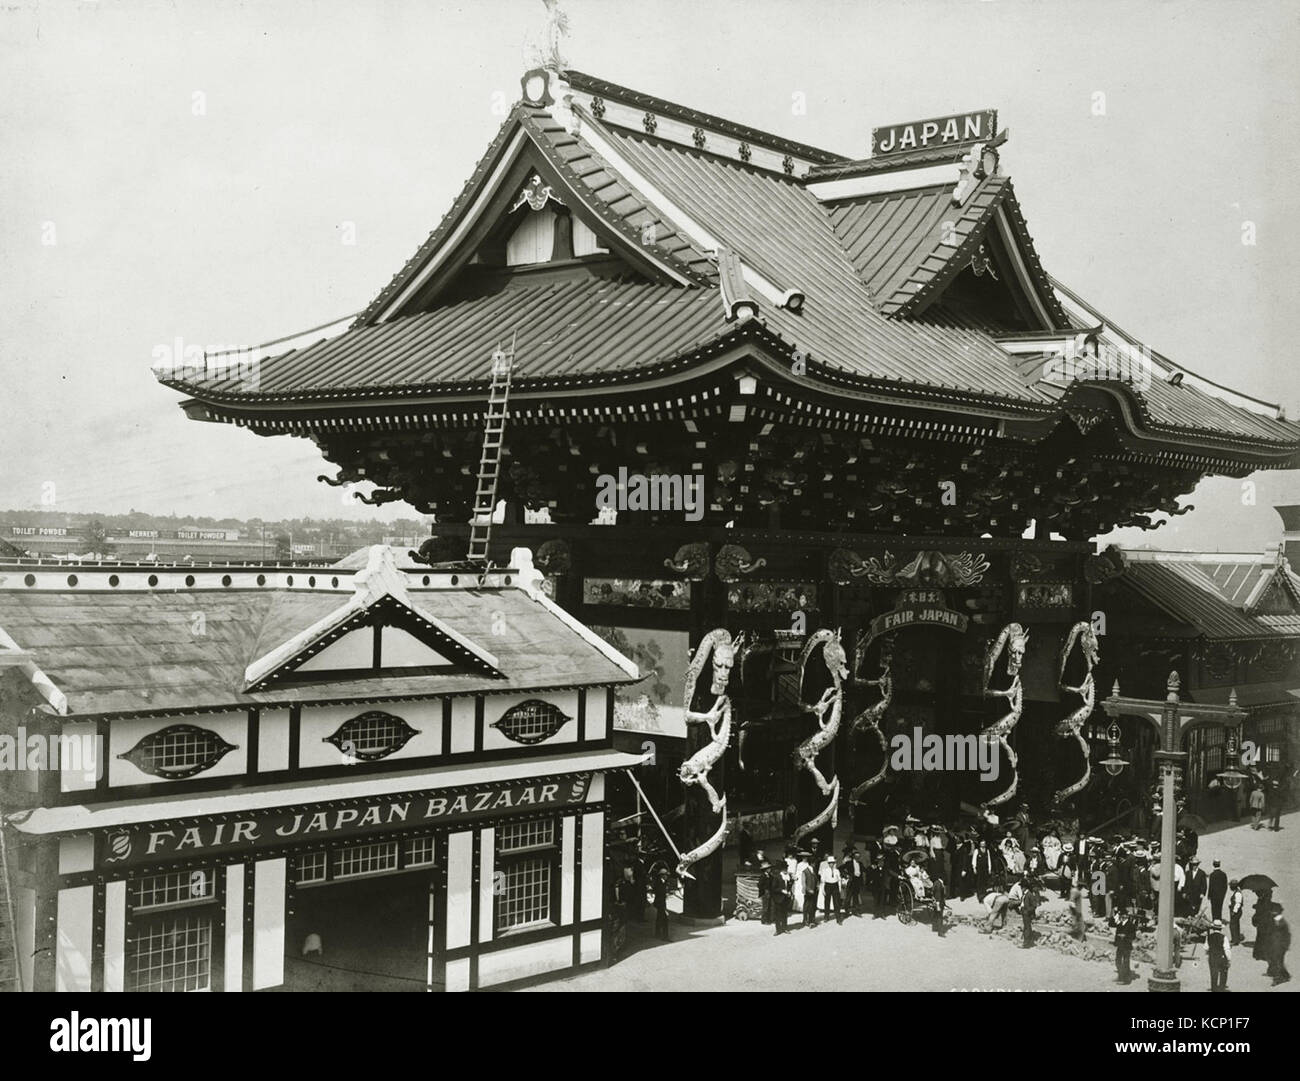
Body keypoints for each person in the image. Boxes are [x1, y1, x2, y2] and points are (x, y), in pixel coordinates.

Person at [1113, 907, 1137, 983]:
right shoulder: (1119, 924)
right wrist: (1116, 942)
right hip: (1120, 945)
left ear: (1127, 916)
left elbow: (1133, 936)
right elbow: (1116, 934)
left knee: (1126, 962)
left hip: (1127, 945)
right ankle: (1120, 976)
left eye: (1124, 915)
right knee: (1118, 961)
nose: (1122, 917)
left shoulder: (1131, 925)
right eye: (1121, 915)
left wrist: (1125, 936)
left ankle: (1126, 979)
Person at [818, 852, 843, 925]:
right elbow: (822, 881)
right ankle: (826, 916)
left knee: (836, 902)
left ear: (834, 863)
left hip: (835, 886)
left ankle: (838, 918)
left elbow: (839, 880)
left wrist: (839, 889)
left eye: (832, 863)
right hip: (828, 886)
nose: (831, 864)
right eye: (830, 863)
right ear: (828, 864)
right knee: (827, 902)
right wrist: (823, 889)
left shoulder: (837, 871)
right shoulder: (825, 871)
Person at [1206, 918, 1231, 992]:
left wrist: (1208, 956)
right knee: (1223, 973)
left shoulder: (1209, 937)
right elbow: (1227, 949)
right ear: (1221, 929)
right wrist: (1229, 960)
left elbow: (1206, 948)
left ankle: (1214, 988)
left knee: (1213, 974)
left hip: (1212, 957)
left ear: (1213, 928)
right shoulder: (1224, 937)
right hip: (1221, 957)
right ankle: (1221, 988)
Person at [1269, 904, 1291, 984]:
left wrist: (1285, 946)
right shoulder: (1275, 920)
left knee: (1277, 961)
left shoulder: (1281, 922)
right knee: (1278, 961)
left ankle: (1278, 978)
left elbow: (1287, 935)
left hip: (1280, 946)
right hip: (1275, 945)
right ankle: (1285, 975)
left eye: (1273, 912)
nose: (1272, 913)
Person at [841, 846, 866, 916]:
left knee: (856, 897)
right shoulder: (849, 863)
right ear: (854, 857)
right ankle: (846, 911)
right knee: (848, 897)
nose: (858, 858)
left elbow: (865, 870)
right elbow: (841, 868)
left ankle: (856, 911)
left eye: (859, 857)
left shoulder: (860, 863)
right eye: (856, 856)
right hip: (851, 881)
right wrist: (846, 875)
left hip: (857, 882)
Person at [771, 859, 792, 936]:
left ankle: (785, 928)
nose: (786, 870)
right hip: (778, 898)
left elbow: (789, 886)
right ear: (781, 869)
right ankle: (778, 930)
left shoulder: (788, 876)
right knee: (778, 915)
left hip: (786, 898)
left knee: (784, 913)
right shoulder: (777, 877)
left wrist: (789, 891)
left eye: (786, 868)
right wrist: (782, 891)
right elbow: (773, 888)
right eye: (784, 869)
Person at [798, 852, 818, 928]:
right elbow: (803, 882)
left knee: (813, 906)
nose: (815, 864)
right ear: (812, 863)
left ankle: (812, 920)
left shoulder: (813, 870)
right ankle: (805, 920)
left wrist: (818, 885)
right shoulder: (805, 871)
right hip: (808, 891)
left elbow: (816, 879)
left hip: (814, 890)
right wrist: (808, 889)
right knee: (807, 906)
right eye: (814, 863)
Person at [651, 869, 670, 941]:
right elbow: (659, 893)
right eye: (666, 875)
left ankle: (657, 933)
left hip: (661, 903)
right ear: (662, 875)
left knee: (659, 918)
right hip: (660, 903)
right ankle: (665, 936)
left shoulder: (663, 882)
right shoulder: (659, 883)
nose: (667, 876)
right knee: (665, 920)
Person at [1021, 880, 1040, 949]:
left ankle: (1027, 943)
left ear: (1025, 887)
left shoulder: (1029, 895)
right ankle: (1028, 941)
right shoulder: (1025, 894)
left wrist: (1027, 911)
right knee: (1026, 926)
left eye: (1022, 887)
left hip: (1027, 913)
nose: (1021, 888)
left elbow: (1034, 905)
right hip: (1024, 912)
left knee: (1027, 927)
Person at [1228, 879, 1245, 945]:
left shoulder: (1238, 893)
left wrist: (1234, 911)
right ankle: (1236, 938)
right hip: (1236, 911)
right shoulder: (1237, 892)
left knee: (1233, 925)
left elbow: (1238, 903)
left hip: (1236, 912)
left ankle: (1234, 940)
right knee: (1235, 924)